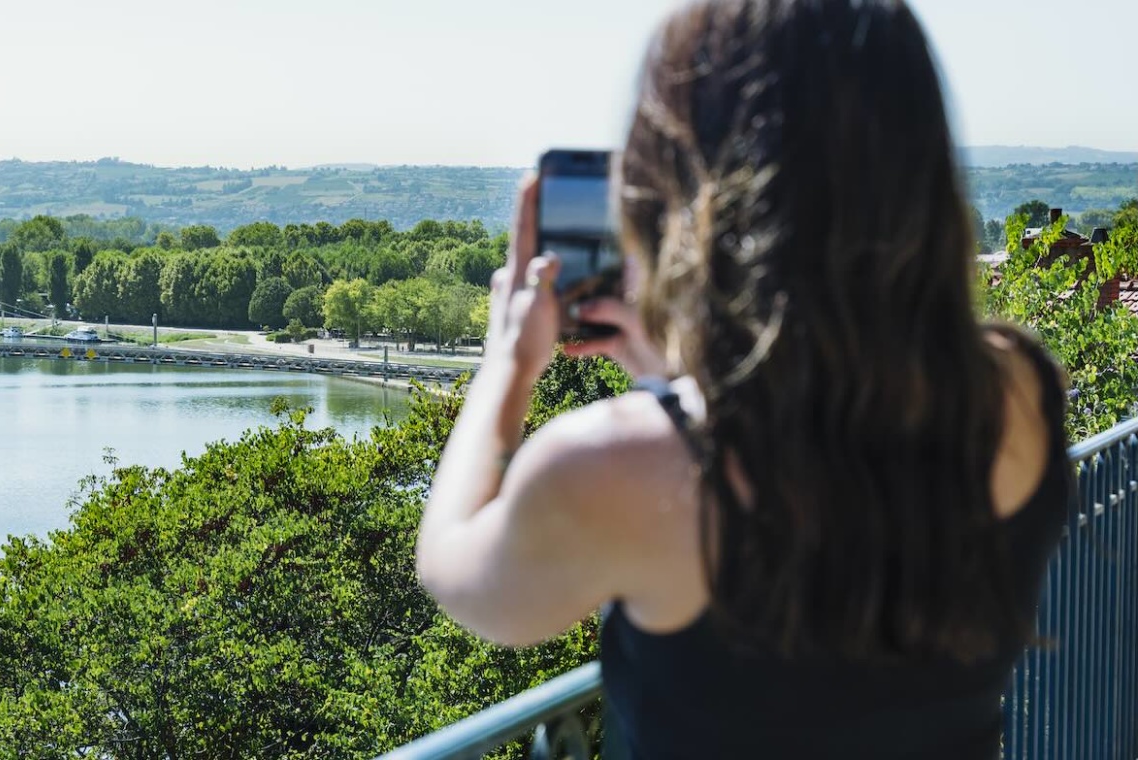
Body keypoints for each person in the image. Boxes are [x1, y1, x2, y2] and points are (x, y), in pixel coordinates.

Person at [416, 1, 1068, 757]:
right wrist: (679, 373)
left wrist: (507, 365)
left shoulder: (616, 467)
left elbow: (459, 572)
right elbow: (831, 448)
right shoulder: (1014, 392)